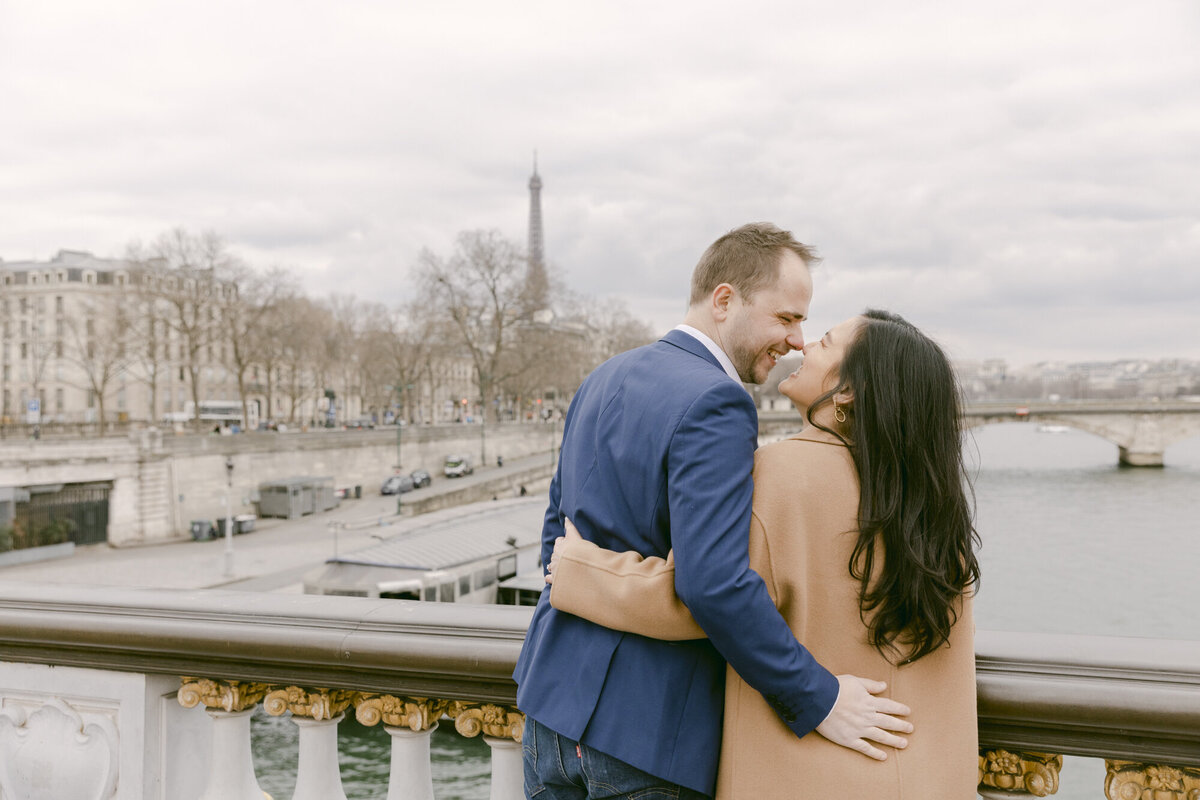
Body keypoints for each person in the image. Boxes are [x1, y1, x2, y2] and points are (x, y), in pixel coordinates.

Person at [513, 224, 912, 799]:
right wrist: (818, 697)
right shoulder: (717, 401)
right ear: (725, 300)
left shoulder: (603, 377)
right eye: (786, 318)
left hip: (548, 711)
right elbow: (715, 583)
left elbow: (556, 538)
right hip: (646, 732)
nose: (797, 340)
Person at [547, 310, 980, 799]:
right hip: (926, 778)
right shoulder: (936, 503)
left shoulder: (779, 476)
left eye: (826, 342)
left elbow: (703, 592)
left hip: (807, 774)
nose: (803, 345)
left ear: (848, 390)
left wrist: (576, 569)